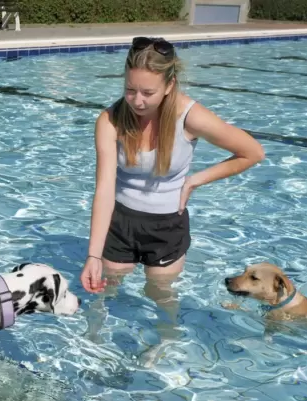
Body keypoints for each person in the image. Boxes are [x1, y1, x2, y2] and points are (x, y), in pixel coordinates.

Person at [80, 36, 265, 340]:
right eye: (130, 90)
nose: (137, 100)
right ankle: (93, 339)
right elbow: (104, 189)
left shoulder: (190, 117)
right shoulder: (110, 120)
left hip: (167, 227)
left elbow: (253, 152)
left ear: (169, 84)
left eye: (147, 92)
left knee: (161, 295)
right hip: (121, 223)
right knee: (105, 290)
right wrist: (93, 255)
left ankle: (165, 341)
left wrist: (196, 179)